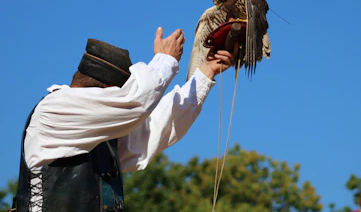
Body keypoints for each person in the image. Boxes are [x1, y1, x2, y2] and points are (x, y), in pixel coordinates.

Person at [13, 27, 235, 212]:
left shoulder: (99, 136)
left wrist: (205, 72)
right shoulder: (55, 109)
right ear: (110, 93)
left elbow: (157, 127)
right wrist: (165, 60)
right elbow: (135, 101)